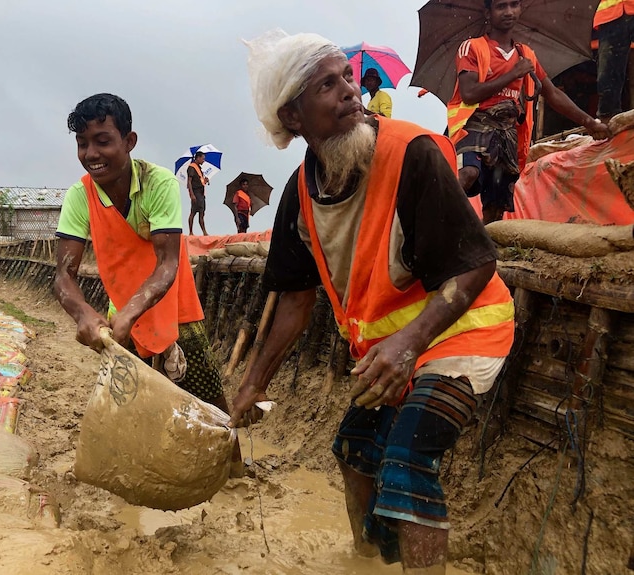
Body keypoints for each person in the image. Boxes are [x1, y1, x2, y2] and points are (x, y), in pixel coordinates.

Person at [233, 29, 517, 573]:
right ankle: (367, 561)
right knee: (353, 453)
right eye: (327, 85)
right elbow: (295, 299)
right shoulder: (299, 194)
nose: (349, 92)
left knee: (406, 461)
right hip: (394, 351)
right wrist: (253, 386)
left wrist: (409, 344)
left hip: (466, 329)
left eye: (347, 78)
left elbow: (479, 262)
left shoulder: (413, 153)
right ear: (293, 117)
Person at [53, 93, 243, 476]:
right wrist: (84, 314)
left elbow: (168, 263)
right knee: (131, 407)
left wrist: (131, 313)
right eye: (82, 144)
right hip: (120, 314)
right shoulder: (79, 196)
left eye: (102, 141)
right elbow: (63, 276)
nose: (91, 153)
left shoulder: (157, 183)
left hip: (175, 307)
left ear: (129, 141)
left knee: (208, 397)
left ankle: (234, 473)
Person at [448, 0, 611, 224]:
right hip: (475, 126)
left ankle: (485, 251)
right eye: (501, 6)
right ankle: (434, 229)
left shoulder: (526, 55)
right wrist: (514, 73)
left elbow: (553, 95)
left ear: (520, 10)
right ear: (488, 12)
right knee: (468, 174)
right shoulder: (471, 47)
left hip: (508, 133)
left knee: (496, 206)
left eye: (514, 5)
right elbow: (469, 93)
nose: (508, 12)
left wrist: (590, 123)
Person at [594, 0, 634, 123]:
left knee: (608, 70)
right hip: (610, 13)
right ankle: (608, 120)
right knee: (608, 73)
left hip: (612, 14)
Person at [187, 151, 209, 235]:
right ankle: (191, 232)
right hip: (195, 192)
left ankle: (204, 232)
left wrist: (205, 181)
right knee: (193, 212)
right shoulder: (192, 167)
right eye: (203, 159)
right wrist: (192, 194)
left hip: (201, 193)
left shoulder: (199, 168)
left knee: (202, 212)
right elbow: (189, 181)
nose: (203, 160)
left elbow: (199, 181)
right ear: (198, 158)